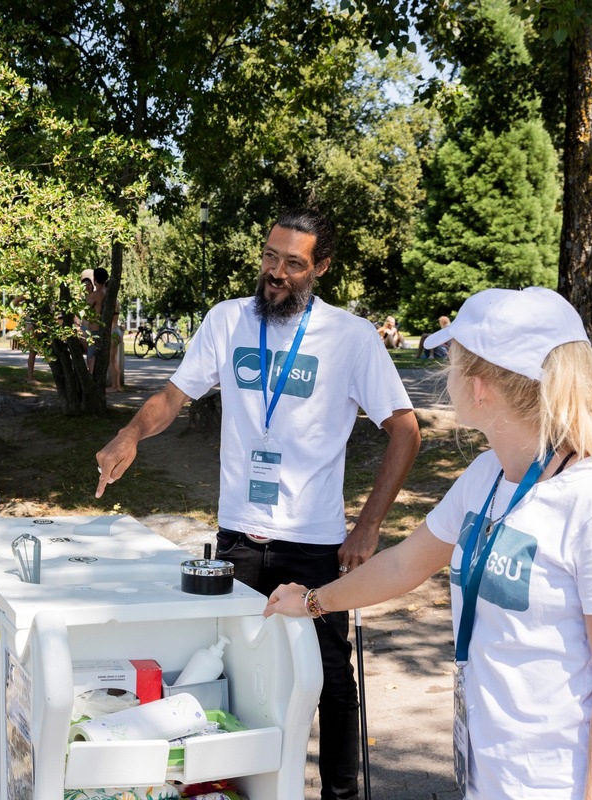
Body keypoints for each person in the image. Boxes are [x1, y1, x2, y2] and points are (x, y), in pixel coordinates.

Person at [267, 287, 592, 799]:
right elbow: (404, 565)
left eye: (450, 362)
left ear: (479, 389)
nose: (444, 375)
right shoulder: (487, 475)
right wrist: (312, 601)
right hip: (493, 781)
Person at [95, 207, 421, 800]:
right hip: (239, 538)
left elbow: (406, 429)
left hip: (316, 542)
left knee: (328, 675)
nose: (275, 272)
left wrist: (368, 527)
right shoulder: (227, 321)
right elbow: (173, 394)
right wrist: (131, 435)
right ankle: (245, 787)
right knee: (238, 668)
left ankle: (340, 794)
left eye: (293, 263)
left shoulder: (351, 337)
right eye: (270, 257)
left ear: (320, 267)